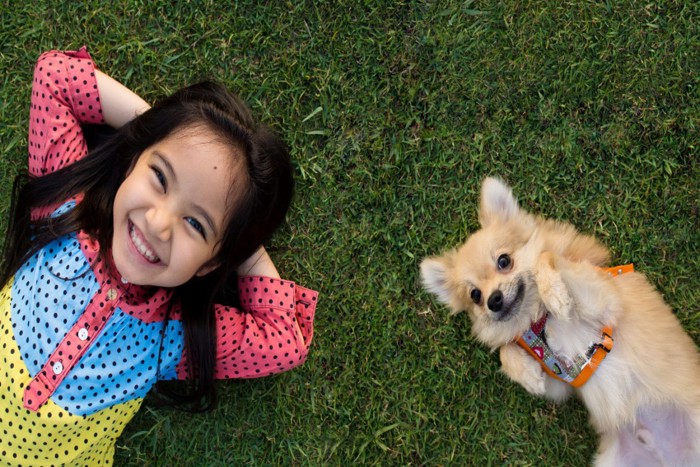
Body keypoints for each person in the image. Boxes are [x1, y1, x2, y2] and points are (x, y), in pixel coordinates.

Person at [0, 47, 318, 465]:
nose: (159, 223)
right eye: (160, 176)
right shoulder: (66, 208)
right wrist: (160, 128)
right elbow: (55, 78)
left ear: (209, 264)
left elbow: (285, 339)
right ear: (134, 159)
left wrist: (242, 242)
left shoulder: (177, 337)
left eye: (197, 225)